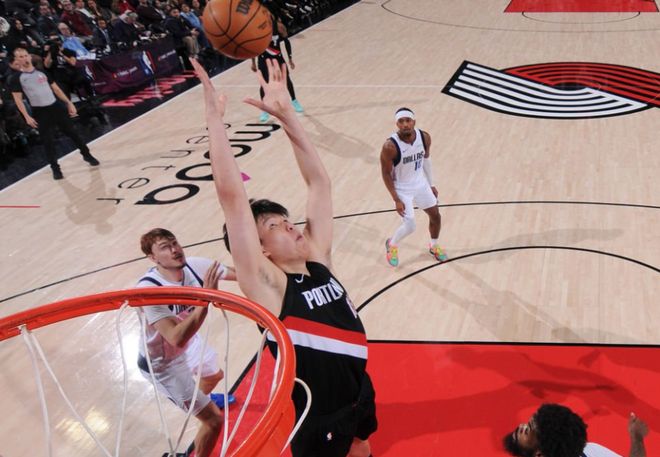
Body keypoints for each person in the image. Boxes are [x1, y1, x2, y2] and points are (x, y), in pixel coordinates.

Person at [192, 57, 377, 457]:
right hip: (318, 413)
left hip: (359, 390)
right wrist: (214, 122)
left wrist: (287, 115)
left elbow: (319, 182)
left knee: (362, 444)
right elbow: (232, 200)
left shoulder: (317, 260)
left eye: (286, 219)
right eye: (275, 225)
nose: (291, 226)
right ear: (260, 249)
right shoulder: (268, 286)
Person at [136, 228, 238, 457]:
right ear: (152, 258)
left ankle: (201, 400)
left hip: (190, 343)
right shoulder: (149, 290)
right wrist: (206, 298)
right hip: (163, 364)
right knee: (214, 421)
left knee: (214, 375)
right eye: (165, 247)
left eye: (175, 243)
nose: (174, 250)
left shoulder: (194, 266)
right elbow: (176, 337)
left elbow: (240, 273)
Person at [9, 47, 99, 180]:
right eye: (20, 57)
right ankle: (55, 168)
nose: (24, 58)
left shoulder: (41, 72)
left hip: (56, 107)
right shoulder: (17, 78)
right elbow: (18, 99)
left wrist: (68, 103)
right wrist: (26, 116)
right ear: (17, 60)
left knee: (73, 133)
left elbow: (56, 89)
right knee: (48, 141)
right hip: (40, 111)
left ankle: (87, 155)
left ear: (30, 56)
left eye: (25, 55)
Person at [380, 107, 447, 267]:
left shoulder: (424, 137)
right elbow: (386, 174)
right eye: (401, 121)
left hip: (420, 184)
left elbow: (426, 160)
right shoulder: (390, 146)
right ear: (397, 124)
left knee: (436, 216)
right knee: (410, 226)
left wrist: (431, 184)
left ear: (414, 122)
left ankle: (433, 245)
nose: (405, 124)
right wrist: (396, 199)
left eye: (408, 120)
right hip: (402, 189)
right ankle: (392, 244)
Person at [503, 403, 648, 457]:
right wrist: (636, 438)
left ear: (540, 454)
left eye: (527, 430)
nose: (521, 426)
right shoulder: (590, 450)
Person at [250, 17, 302, 123]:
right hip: (263, 59)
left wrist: (290, 58)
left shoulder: (279, 27)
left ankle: (294, 101)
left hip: (278, 57)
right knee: (264, 84)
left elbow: (287, 42)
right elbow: (253, 46)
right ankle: (265, 109)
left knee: (287, 79)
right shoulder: (256, 29)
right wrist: (253, 62)